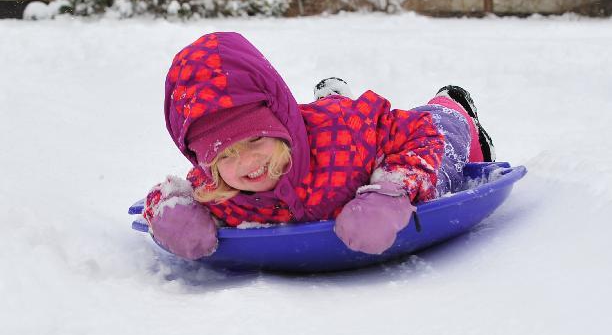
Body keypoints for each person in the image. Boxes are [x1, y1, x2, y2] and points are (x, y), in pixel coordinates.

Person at [143, 32, 496, 260]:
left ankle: (451, 103)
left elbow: (422, 134)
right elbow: (167, 195)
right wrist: (175, 216)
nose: (247, 161)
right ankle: (330, 96)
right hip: (321, 124)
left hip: (358, 131)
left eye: (254, 139)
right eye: (225, 154)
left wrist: (392, 190)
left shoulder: (345, 134)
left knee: (446, 134)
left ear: (277, 122)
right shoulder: (217, 187)